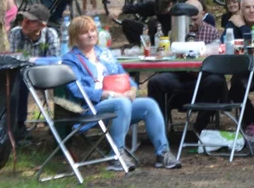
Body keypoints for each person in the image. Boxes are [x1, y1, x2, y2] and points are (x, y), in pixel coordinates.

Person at [61, 15, 180, 169]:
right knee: (121, 103)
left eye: (92, 30)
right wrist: (106, 94)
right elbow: (76, 90)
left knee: (149, 104)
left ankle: (162, 153)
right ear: (75, 37)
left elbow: (123, 75)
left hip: (117, 102)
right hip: (89, 109)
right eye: (85, 32)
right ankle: (116, 155)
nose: (91, 35)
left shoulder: (104, 53)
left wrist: (132, 89)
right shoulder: (70, 60)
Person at [147, 0, 226, 132]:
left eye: (194, 19)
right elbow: (163, 54)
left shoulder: (211, 32)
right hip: (178, 76)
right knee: (155, 82)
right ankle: (159, 130)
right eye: (186, 18)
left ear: (203, 14)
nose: (190, 23)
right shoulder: (174, 31)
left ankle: (199, 128)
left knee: (216, 81)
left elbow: (216, 58)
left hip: (201, 77)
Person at [7, 4, 59, 141]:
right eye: (24, 19)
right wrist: (36, 61)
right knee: (20, 79)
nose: (25, 23)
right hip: (22, 75)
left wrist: (31, 61)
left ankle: (61, 125)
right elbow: (14, 59)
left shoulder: (50, 34)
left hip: (44, 74)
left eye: (30, 21)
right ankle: (19, 124)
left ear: (42, 25)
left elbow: (55, 60)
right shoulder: (15, 33)